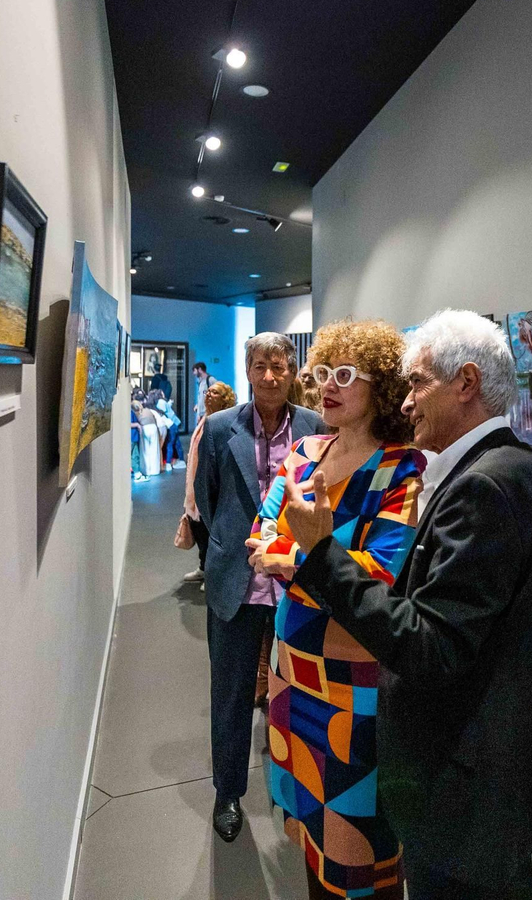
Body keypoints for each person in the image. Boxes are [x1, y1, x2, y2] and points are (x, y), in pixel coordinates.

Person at [262, 309, 532, 899]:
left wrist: (318, 551)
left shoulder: (484, 486)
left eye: (419, 383)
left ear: (466, 383)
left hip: (467, 778)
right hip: (477, 765)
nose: (407, 402)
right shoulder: (505, 471)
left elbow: (426, 643)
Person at [247, 320, 423, 899]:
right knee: (306, 826)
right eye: (322, 373)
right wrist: (314, 558)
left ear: (383, 388)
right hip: (292, 669)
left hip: (353, 683)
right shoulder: (304, 451)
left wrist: (294, 556)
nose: (328, 386)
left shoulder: (401, 469)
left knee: (357, 847)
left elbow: (379, 576)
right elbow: (259, 538)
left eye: (346, 375)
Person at [194, 333, 324, 842]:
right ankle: (227, 793)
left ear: (292, 371)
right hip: (238, 584)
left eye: (278, 365)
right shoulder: (221, 428)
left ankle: (297, 788)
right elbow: (208, 500)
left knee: (299, 690)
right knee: (229, 693)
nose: (269, 376)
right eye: (260, 366)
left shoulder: (314, 427)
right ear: (247, 371)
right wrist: (230, 543)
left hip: (296, 580)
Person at [179, 380, 238, 584]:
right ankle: (204, 568)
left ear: (224, 400)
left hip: (213, 486)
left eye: (214, 393)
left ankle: (213, 574)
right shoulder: (204, 420)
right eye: (207, 391)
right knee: (199, 528)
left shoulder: (225, 423)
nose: (208, 395)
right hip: (197, 484)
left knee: (210, 530)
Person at [193, 361, 217, 426]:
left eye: (194, 370)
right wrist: (198, 406)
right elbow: (201, 397)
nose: (194, 373)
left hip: (208, 415)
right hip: (201, 415)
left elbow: (218, 393)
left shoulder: (210, 380)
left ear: (200, 369)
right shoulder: (201, 382)